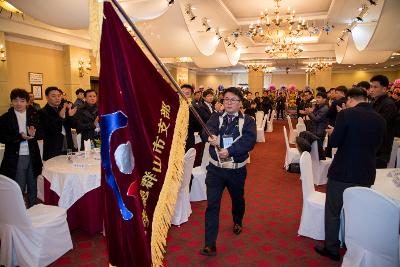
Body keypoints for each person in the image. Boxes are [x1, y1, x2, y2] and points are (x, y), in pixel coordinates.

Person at [314, 87, 385, 262]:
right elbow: (380, 146)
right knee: (358, 211)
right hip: (366, 172)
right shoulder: (380, 118)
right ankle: (355, 247)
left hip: (343, 171)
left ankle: (332, 248)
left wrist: (332, 133)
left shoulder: (347, 114)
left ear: (350, 100)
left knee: (333, 211)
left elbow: (336, 141)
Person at [199, 87, 256, 256]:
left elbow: (249, 141)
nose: (229, 103)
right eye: (226, 99)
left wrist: (230, 150)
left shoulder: (248, 120)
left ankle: (237, 220)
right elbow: (206, 131)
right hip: (215, 170)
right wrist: (209, 136)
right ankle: (210, 244)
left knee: (238, 199)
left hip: (236, 171)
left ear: (240, 103)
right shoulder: (216, 117)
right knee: (212, 205)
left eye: (233, 100)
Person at [0, 88, 42, 208]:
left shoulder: (34, 114)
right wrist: (20, 137)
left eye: (22, 100)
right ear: (11, 102)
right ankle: (20, 211)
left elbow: (42, 132)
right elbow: (2, 137)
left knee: (33, 184)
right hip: (16, 156)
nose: (18, 103)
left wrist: (34, 135)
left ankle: (34, 209)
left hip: (33, 155)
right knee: (19, 185)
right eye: (15, 100)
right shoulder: (5, 117)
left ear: (27, 102)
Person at [39, 86, 77, 160]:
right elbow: (50, 129)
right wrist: (60, 118)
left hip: (68, 147)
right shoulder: (42, 112)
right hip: (53, 149)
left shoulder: (63, 109)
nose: (57, 98)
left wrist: (71, 116)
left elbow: (74, 125)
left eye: (59, 96)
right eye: (53, 96)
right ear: (47, 97)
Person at [369, 75, 397, 168]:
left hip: (381, 149)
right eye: (371, 86)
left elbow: (380, 127)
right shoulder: (373, 102)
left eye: (375, 87)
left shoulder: (388, 105)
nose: (371, 90)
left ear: (384, 89)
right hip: (372, 146)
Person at [181, 84, 202, 152]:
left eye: (187, 93)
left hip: (188, 138)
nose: (184, 95)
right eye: (182, 93)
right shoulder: (174, 106)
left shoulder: (194, 108)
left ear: (191, 95)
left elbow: (198, 125)